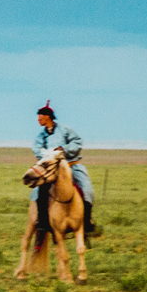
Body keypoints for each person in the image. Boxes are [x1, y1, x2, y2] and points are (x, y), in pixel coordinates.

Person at [33, 101, 100, 237]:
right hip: (51, 168)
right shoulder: (41, 136)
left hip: (71, 165)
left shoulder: (65, 130)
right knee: (39, 191)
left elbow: (77, 142)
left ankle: (86, 222)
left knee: (86, 188)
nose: (38, 119)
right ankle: (43, 222)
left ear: (48, 117)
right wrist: (50, 155)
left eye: (40, 117)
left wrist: (64, 150)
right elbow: (37, 149)